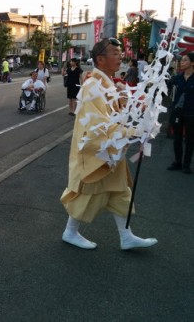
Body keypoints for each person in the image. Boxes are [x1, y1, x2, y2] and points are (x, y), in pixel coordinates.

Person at [60, 37, 158, 250]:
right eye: (115, 52)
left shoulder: (108, 83)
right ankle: (70, 232)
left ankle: (126, 236)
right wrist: (134, 131)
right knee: (88, 194)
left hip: (109, 150)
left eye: (120, 52)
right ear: (100, 59)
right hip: (97, 152)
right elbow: (98, 126)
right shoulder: (93, 85)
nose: (120, 56)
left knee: (120, 192)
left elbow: (117, 116)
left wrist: (136, 109)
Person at [167, 52, 194, 174]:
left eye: (185, 60)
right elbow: (165, 86)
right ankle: (177, 162)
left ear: (192, 63)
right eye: (182, 60)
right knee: (177, 138)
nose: (182, 62)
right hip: (177, 112)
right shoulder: (177, 77)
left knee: (190, 139)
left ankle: (186, 164)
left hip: (191, 113)